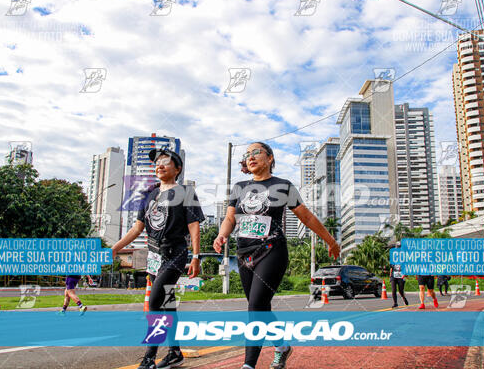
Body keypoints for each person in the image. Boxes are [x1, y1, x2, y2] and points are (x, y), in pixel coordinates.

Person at [213, 142, 340, 369]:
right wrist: (222, 235)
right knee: (260, 307)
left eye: (256, 153)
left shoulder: (282, 186)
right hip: (244, 254)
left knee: (255, 306)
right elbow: (230, 218)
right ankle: (282, 346)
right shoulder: (239, 187)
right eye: (247, 154)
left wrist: (331, 241)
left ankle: (248, 365)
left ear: (270, 158)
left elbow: (307, 217)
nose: (251, 157)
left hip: (272, 250)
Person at [112, 147, 204, 369]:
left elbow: (194, 227)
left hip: (175, 254)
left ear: (178, 169)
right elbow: (137, 229)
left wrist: (196, 256)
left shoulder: (185, 192)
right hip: (154, 256)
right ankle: (175, 352)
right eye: (156, 163)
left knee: (154, 301)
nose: (159, 165)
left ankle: (149, 358)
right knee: (167, 304)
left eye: (165, 162)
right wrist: (114, 248)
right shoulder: (149, 195)